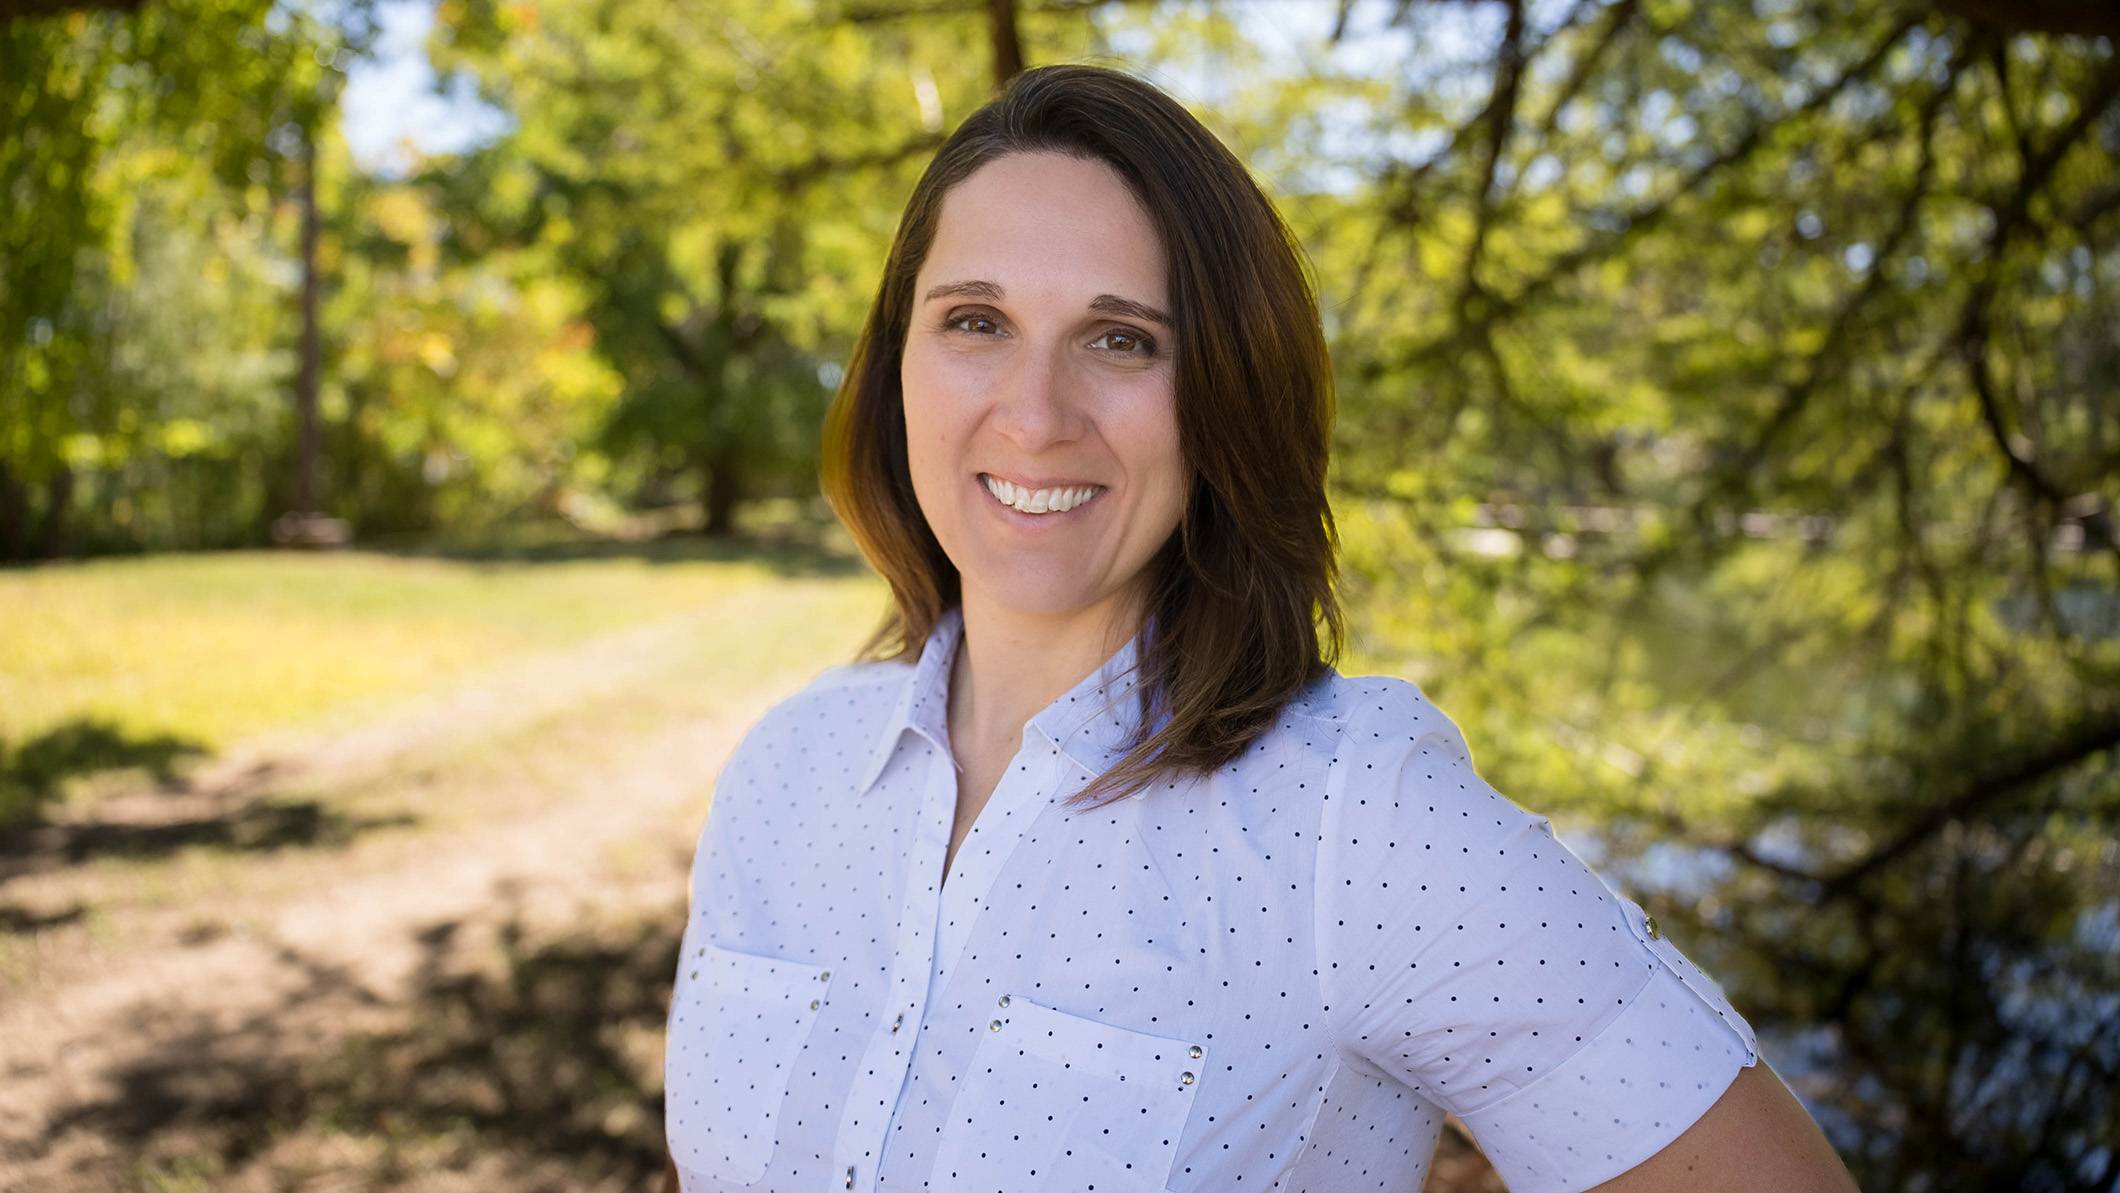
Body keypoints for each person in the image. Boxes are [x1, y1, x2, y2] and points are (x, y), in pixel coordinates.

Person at [660, 62, 1857, 1193]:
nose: (1033, 416)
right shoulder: (784, 771)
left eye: (1121, 338)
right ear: (895, 365)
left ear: (1225, 394)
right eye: (974, 320)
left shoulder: (1357, 821)